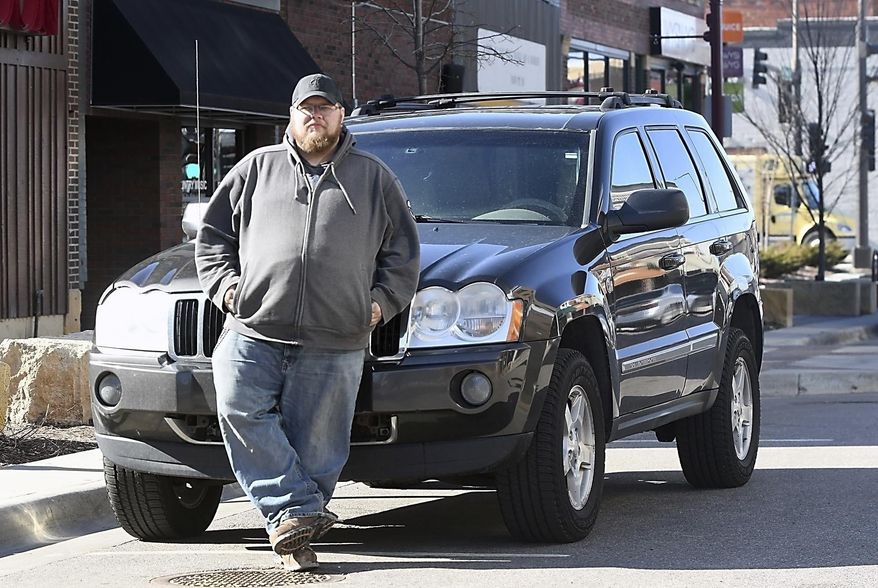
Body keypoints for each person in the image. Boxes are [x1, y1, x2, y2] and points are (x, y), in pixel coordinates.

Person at [195, 73, 420, 571]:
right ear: (291, 117)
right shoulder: (256, 168)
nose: (314, 116)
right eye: (306, 109)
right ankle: (294, 512)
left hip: (336, 337)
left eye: (325, 108)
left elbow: (403, 255)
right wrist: (228, 289)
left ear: (342, 114)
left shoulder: (373, 176)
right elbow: (212, 238)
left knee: (319, 447)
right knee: (236, 407)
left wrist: (379, 305)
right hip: (254, 328)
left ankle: (297, 540)